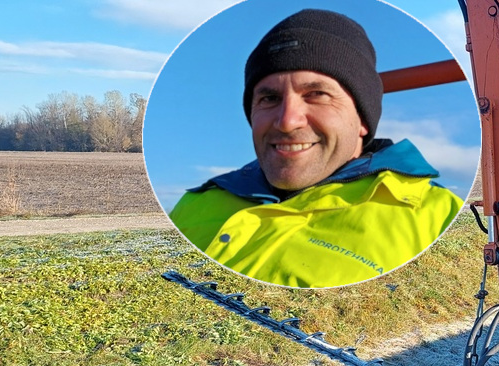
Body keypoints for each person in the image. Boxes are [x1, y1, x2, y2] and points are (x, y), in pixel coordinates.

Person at [170, 9, 463, 288]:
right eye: (269, 98)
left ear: (362, 118)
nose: (286, 121)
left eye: (316, 94)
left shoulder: (438, 219)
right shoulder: (193, 205)